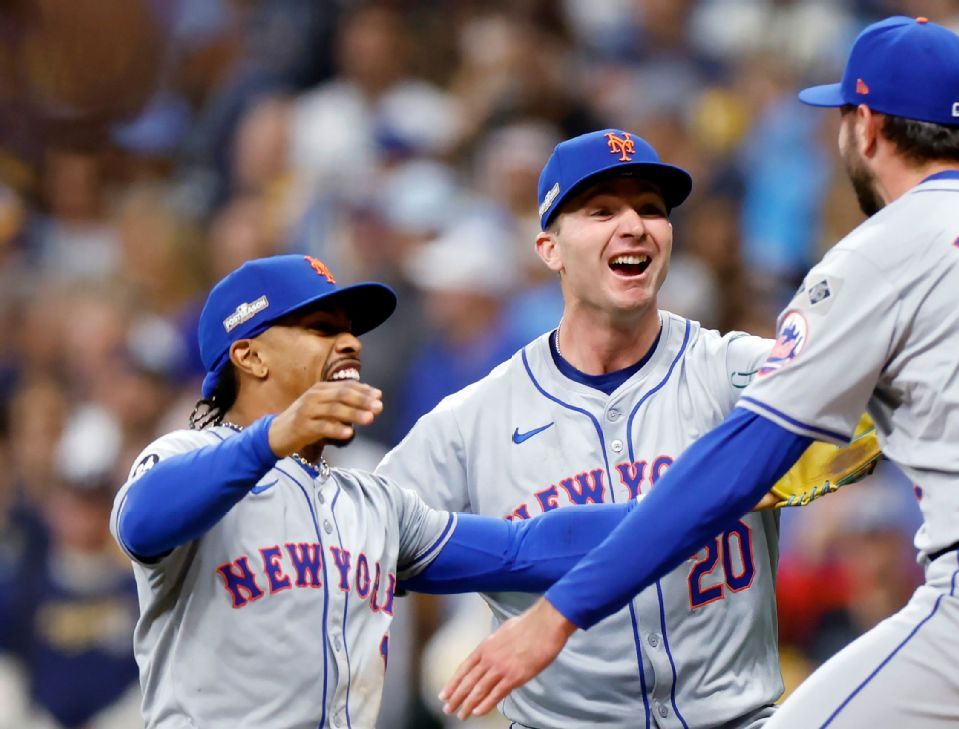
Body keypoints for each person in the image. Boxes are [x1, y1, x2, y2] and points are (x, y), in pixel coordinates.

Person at [440, 17, 959, 728]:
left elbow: (737, 464)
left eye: (841, 116)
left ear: (866, 126)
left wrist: (557, 611)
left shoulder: (888, 245)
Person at [108, 254, 643, 729]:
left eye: (350, 330)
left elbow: (524, 550)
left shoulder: (373, 503)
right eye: (320, 328)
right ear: (250, 356)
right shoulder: (184, 456)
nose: (350, 343)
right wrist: (271, 439)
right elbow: (141, 523)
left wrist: (685, 511)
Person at [379, 129, 784, 728]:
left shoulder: (736, 372)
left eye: (651, 209)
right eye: (601, 211)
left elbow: (864, 412)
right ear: (550, 248)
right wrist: (513, 560)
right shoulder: (475, 420)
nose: (635, 225)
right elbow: (368, 537)